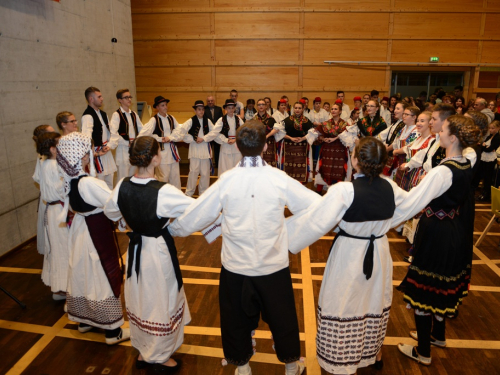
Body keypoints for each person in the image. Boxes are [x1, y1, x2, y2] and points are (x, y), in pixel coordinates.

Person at [169, 121, 318, 375]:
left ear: (237, 146)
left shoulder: (227, 180)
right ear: (266, 145)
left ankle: (243, 367)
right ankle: (292, 366)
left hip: (236, 266)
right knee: (282, 319)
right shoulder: (278, 178)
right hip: (273, 264)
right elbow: (316, 206)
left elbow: (198, 213)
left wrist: (172, 230)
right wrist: (287, 231)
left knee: (236, 320)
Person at [285, 137, 409, 375]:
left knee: (344, 303)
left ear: (354, 160)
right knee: (372, 301)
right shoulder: (390, 187)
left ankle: (342, 362)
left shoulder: (344, 190)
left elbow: (317, 221)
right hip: (379, 253)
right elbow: (407, 208)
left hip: (350, 253)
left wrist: (283, 236)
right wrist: (381, 226)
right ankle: (372, 353)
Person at [395, 115, 480, 366]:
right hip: (453, 228)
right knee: (439, 284)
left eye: (442, 130)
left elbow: (414, 201)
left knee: (425, 287)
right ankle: (437, 336)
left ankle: (422, 351)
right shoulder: (465, 163)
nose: (438, 132)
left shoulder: (443, 170)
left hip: (436, 232)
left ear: (452, 137)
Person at [104, 136, 194, 373]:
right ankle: (160, 355)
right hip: (157, 251)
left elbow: (110, 211)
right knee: (159, 298)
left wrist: (129, 221)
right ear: (155, 158)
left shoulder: (122, 185)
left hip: (136, 248)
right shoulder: (163, 191)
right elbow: (194, 209)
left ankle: (146, 350)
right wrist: (174, 226)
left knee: (142, 297)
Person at [56, 132, 130, 345]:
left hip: (80, 232)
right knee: (101, 277)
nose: (90, 155)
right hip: (95, 233)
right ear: (81, 156)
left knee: (82, 275)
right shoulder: (88, 183)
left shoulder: (68, 181)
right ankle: (112, 332)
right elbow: (114, 204)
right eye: (87, 151)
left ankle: (85, 321)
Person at [33, 131, 69, 301]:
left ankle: (60, 289)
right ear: (54, 149)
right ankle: (66, 288)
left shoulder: (45, 163)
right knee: (63, 249)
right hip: (58, 213)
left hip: (53, 211)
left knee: (57, 249)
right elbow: (61, 190)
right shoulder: (54, 166)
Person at [177, 100, 221, 196]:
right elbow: (181, 132)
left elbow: (214, 132)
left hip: (205, 149)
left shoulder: (207, 121)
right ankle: (189, 193)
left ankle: (203, 194)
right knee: (193, 172)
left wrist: (204, 138)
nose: (201, 111)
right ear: (195, 110)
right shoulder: (191, 121)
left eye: (202, 110)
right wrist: (193, 138)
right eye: (199, 110)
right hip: (194, 149)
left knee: (205, 174)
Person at [138, 96, 183, 190]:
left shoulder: (171, 118)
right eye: (162, 105)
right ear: (157, 108)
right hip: (161, 153)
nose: (165, 107)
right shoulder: (154, 120)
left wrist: (170, 137)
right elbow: (143, 135)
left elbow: (180, 132)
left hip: (173, 152)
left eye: (166, 105)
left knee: (175, 177)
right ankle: (161, 199)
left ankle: (176, 200)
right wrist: (159, 139)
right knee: (163, 178)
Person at [81, 86, 117, 189]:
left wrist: (109, 145)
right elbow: (86, 139)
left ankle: (109, 204)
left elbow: (111, 133)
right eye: (99, 97)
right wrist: (95, 154)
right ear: (91, 99)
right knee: (99, 185)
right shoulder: (87, 116)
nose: (102, 99)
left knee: (110, 183)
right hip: (96, 155)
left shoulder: (103, 114)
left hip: (106, 151)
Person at [310, 103, 348, 193]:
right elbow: (317, 135)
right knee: (324, 169)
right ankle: (319, 193)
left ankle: (338, 193)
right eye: (332, 109)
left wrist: (335, 138)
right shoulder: (325, 124)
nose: (333, 111)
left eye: (335, 109)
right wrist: (323, 138)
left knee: (339, 171)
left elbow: (348, 136)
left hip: (340, 151)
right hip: (327, 151)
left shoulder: (345, 124)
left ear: (340, 111)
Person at [109, 88, 143, 181]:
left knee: (134, 176)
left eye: (130, 97)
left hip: (134, 149)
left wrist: (137, 142)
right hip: (123, 149)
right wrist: (126, 143)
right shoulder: (116, 114)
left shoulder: (134, 114)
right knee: (123, 177)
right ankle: (122, 195)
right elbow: (114, 133)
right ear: (120, 100)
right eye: (126, 97)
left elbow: (142, 130)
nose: (129, 99)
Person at [32, 125, 56, 256]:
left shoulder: (46, 156)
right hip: (51, 198)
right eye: (52, 133)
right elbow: (38, 177)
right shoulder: (45, 158)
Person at [282, 102, 315, 182]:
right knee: (288, 167)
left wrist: (303, 138)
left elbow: (312, 133)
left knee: (300, 168)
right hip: (288, 147)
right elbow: (280, 133)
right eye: (296, 108)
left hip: (302, 147)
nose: (297, 110)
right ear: (293, 109)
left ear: (303, 109)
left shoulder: (307, 121)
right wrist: (290, 138)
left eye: (299, 108)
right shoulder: (287, 120)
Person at [215, 99, 245, 176]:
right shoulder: (221, 120)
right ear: (225, 109)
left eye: (232, 108)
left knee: (237, 166)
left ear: (234, 108)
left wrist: (235, 139)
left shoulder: (238, 119)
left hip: (236, 145)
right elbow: (215, 133)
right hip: (226, 145)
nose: (231, 110)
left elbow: (244, 131)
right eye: (229, 108)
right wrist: (226, 140)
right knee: (225, 167)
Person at [476, 120, 500, 201]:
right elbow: (482, 146)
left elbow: (490, 148)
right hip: (484, 158)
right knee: (480, 175)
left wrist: (484, 146)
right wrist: (484, 146)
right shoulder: (489, 136)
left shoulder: (498, 137)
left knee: (487, 178)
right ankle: (482, 192)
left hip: (490, 159)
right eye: (490, 128)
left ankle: (486, 194)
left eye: (493, 128)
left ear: (498, 128)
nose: (491, 130)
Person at [254, 98, 282, 167]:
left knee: (269, 162)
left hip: (269, 143)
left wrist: (267, 136)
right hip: (257, 143)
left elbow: (277, 129)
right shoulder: (254, 119)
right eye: (259, 104)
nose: (261, 106)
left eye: (263, 104)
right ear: (257, 107)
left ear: (266, 106)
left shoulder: (271, 118)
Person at [205, 95, 224, 166]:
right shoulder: (204, 109)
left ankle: (217, 163)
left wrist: (217, 129)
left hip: (217, 132)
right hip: (208, 132)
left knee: (217, 149)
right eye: (208, 101)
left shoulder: (219, 109)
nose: (210, 102)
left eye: (211, 101)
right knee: (208, 149)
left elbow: (221, 120)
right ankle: (208, 163)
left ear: (214, 101)